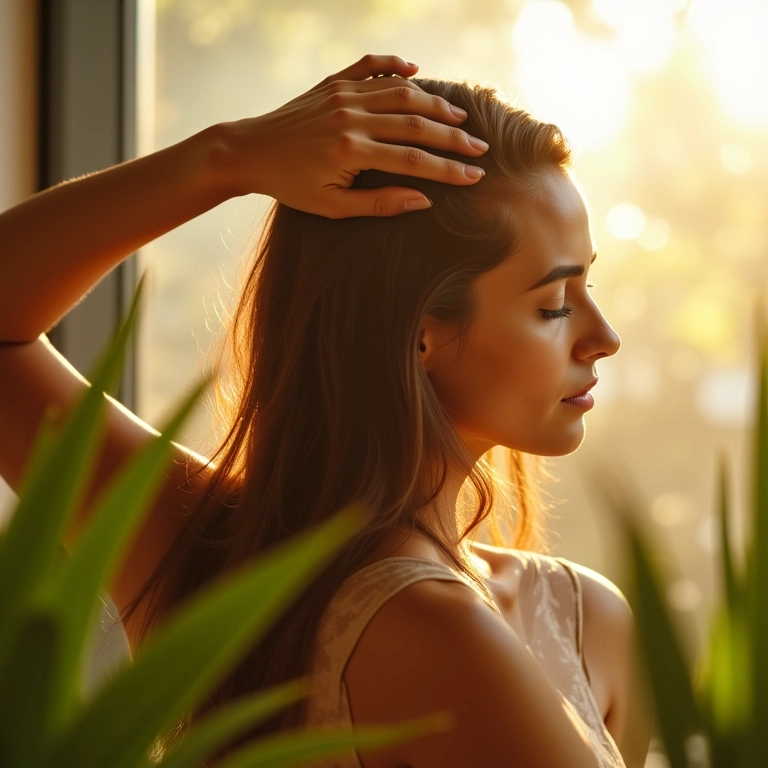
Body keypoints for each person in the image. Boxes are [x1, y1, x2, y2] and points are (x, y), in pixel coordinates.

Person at [0, 54, 651, 767]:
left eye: (588, 287)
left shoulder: (212, 560)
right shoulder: (450, 633)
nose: (604, 337)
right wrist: (231, 152)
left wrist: (228, 159)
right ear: (419, 333)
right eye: (554, 304)